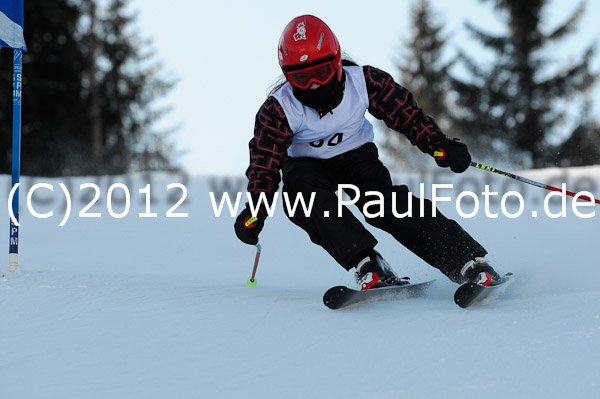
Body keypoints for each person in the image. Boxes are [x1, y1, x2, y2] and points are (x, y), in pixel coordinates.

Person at [234, 15, 501, 290]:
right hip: (306, 168)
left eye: (322, 73)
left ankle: (467, 262)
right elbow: (264, 166)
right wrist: (256, 211)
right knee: (301, 195)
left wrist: (439, 145)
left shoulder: (364, 81)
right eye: (301, 78)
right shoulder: (278, 109)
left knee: (382, 204)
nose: (314, 85)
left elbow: (406, 115)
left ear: (336, 63)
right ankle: (369, 264)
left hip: (356, 159)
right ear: (287, 76)